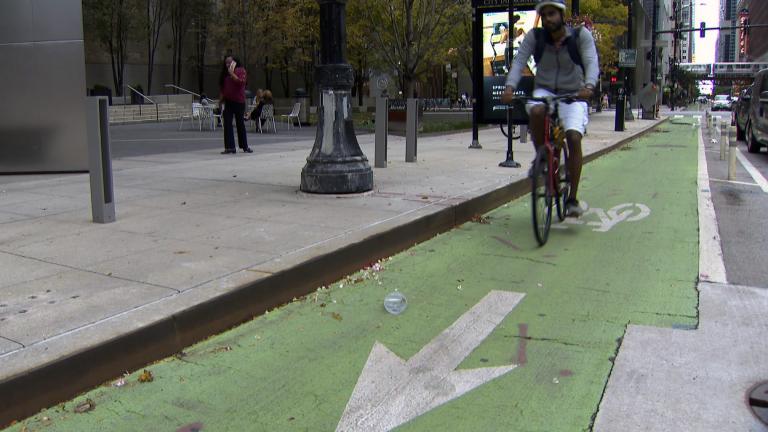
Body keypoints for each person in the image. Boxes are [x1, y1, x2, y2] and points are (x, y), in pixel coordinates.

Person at [501, 0, 598, 218]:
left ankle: (572, 198)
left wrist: (589, 86)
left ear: (562, 15)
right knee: (536, 111)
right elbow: (518, 62)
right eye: (544, 15)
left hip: (574, 93)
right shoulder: (535, 37)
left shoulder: (580, 36)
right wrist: (509, 87)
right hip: (544, 90)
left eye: (552, 14)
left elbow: (592, 61)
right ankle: (542, 156)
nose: (548, 19)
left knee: (573, 137)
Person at [218, 55, 252, 154]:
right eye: (226, 63)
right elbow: (223, 89)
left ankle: (245, 146)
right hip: (228, 101)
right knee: (227, 123)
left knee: (240, 123)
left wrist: (232, 73)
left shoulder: (241, 70)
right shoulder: (224, 74)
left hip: (239, 101)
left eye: (230, 62)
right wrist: (220, 102)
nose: (228, 64)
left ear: (235, 62)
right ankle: (230, 147)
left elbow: (241, 82)